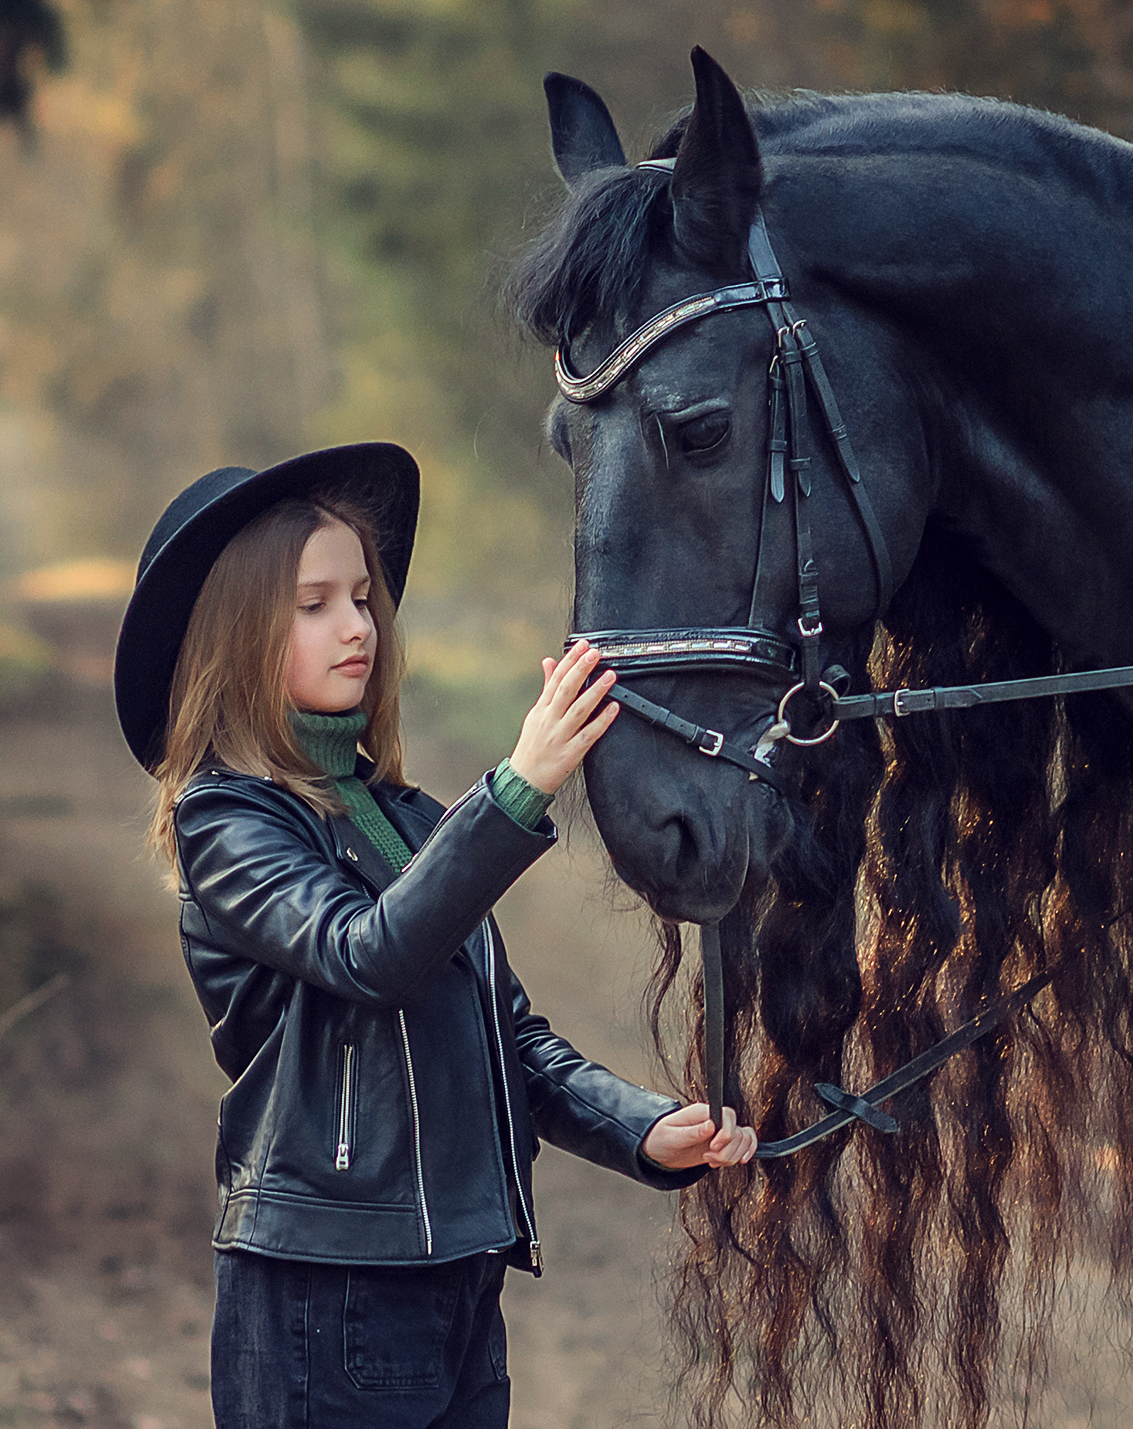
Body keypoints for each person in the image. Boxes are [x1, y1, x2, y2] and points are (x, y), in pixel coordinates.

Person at [113, 444, 757, 1429]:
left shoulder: (404, 817)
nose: (358, 626)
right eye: (313, 604)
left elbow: (510, 1037)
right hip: (327, 1287)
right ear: (238, 635)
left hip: (458, 1278)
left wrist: (641, 1126)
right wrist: (519, 788)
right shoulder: (227, 818)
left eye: (360, 598)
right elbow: (365, 953)